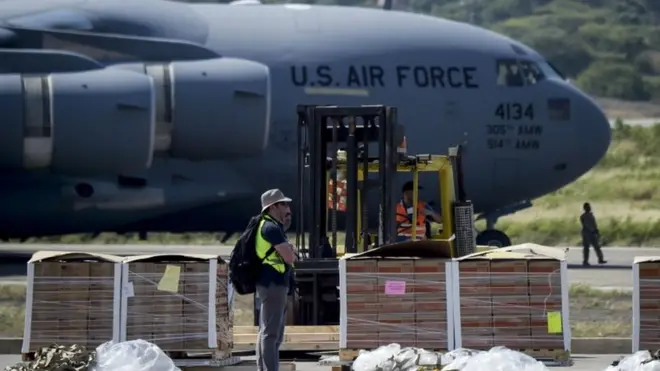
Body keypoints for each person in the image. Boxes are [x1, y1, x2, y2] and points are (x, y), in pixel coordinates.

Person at [255, 189, 297, 371]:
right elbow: (290, 257)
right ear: (273, 207)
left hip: (270, 284)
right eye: (284, 204)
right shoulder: (271, 228)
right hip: (273, 284)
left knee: (267, 331)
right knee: (272, 335)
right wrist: (291, 250)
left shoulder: (270, 225)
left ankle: (262, 368)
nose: (288, 208)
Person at [580, 202, 606, 266]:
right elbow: (586, 224)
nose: (589, 208)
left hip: (591, 232)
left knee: (597, 247)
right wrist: (593, 230)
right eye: (587, 207)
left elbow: (594, 224)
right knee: (587, 248)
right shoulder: (584, 216)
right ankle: (585, 261)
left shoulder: (591, 215)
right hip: (587, 233)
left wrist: (596, 230)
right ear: (584, 208)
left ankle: (600, 259)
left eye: (589, 207)